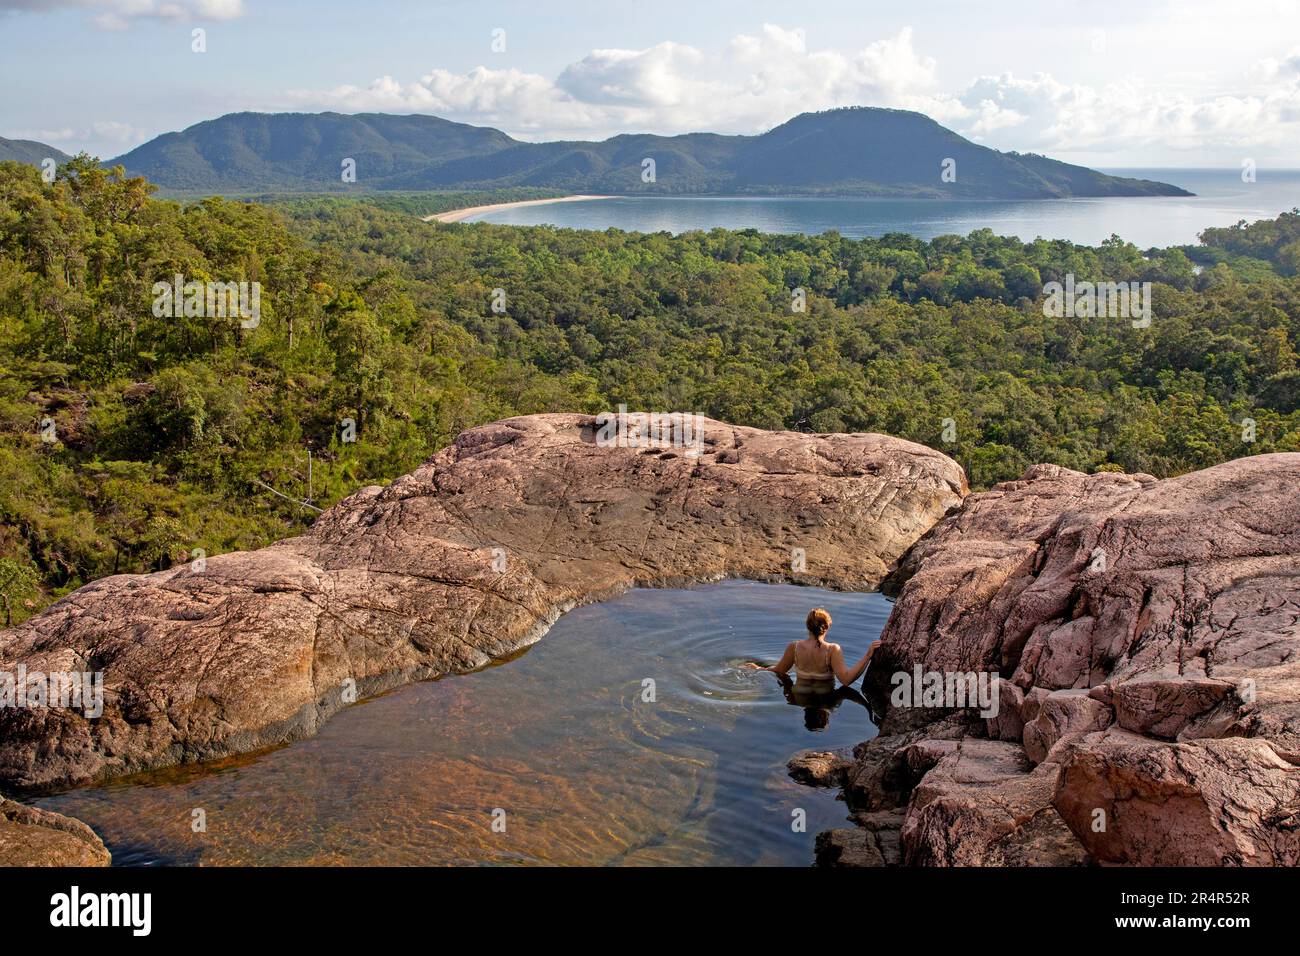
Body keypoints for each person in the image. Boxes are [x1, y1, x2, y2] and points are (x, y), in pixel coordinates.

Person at [743, 607, 878, 687]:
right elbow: (846, 680)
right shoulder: (832, 650)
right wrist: (868, 655)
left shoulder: (794, 647)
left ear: (807, 626)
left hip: (799, 696)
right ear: (827, 627)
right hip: (824, 699)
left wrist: (759, 668)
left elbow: (779, 670)